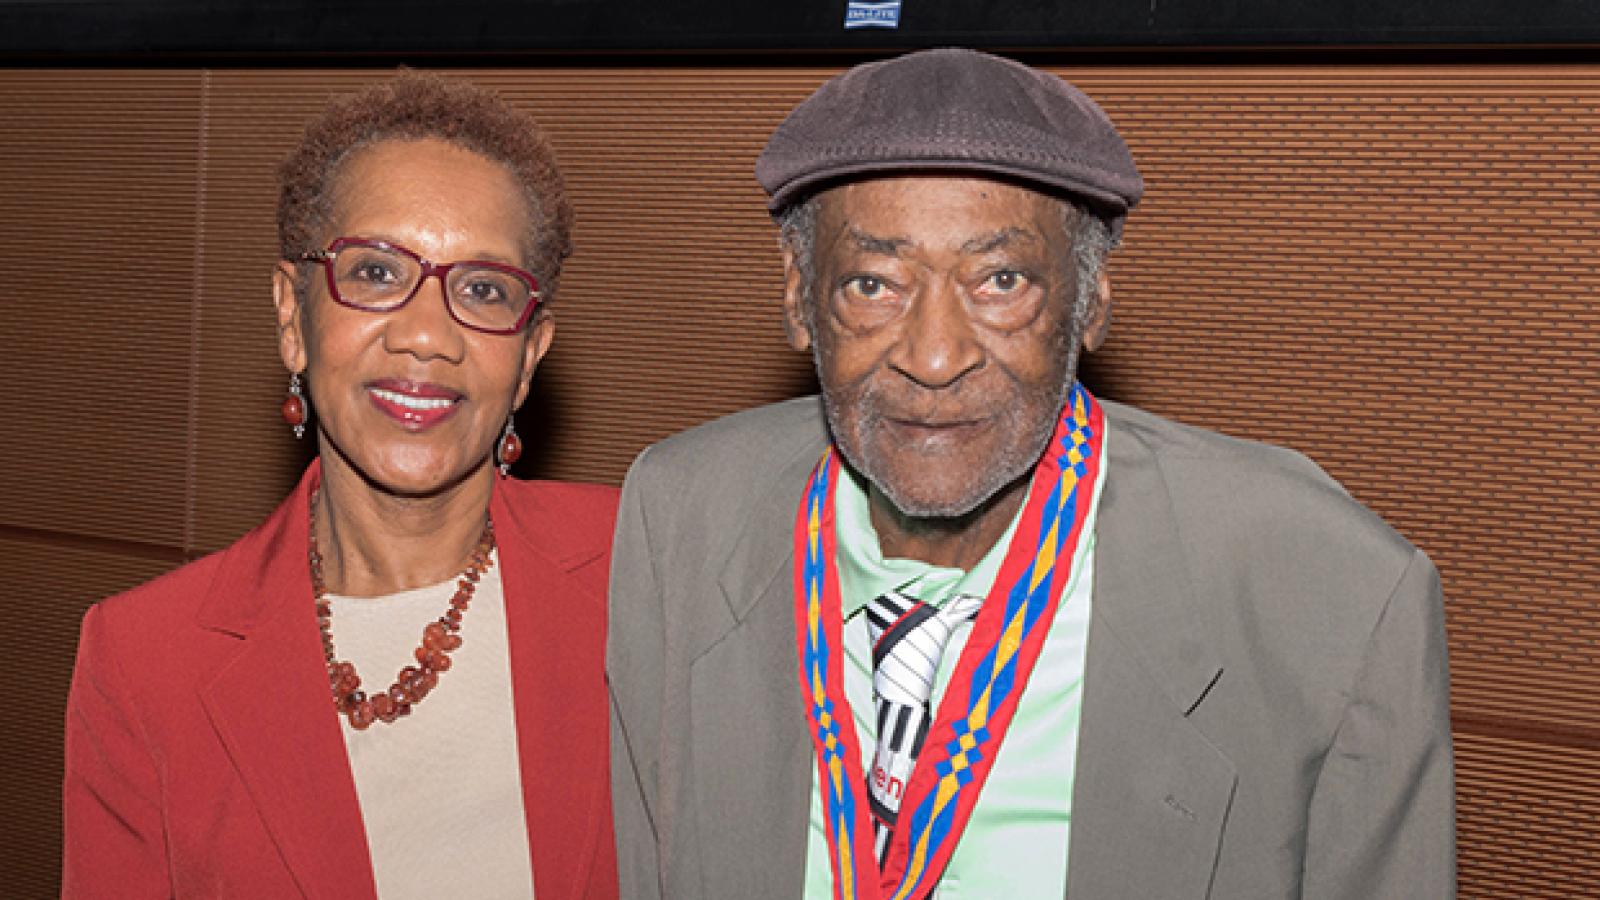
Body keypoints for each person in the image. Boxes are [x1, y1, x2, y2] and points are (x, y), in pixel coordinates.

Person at [607, 48, 1454, 899]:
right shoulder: (681, 515)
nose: (934, 356)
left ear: (1090, 303)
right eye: (873, 283)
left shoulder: (1329, 593)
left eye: (1001, 281)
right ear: (799, 299)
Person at [63, 73, 617, 899]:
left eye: (484, 290)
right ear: (293, 318)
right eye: (375, 273)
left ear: (529, 354)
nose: (429, 335)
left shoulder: (650, 569)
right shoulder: (144, 663)